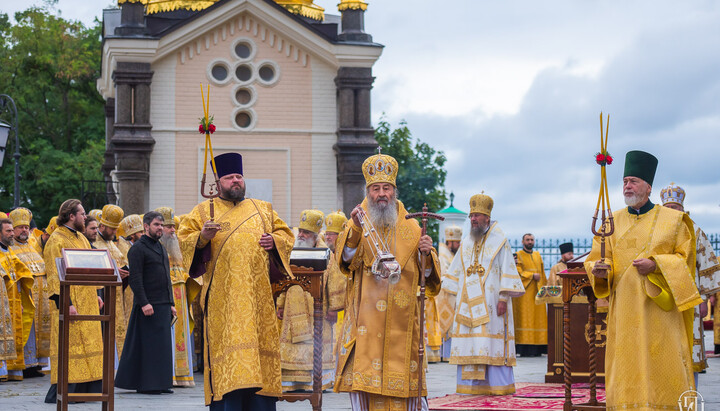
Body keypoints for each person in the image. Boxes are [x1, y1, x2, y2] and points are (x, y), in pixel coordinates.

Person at [585, 151, 702, 410]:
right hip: (625, 309)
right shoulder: (611, 221)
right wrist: (600, 270)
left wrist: (656, 264)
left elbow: (685, 260)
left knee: (663, 359)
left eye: (634, 181)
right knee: (627, 360)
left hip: (659, 309)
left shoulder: (674, 221)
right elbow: (596, 258)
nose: (627, 186)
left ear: (648, 187)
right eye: (625, 181)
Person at [178, 152, 294, 410]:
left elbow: (285, 234)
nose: (236, 181)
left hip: (258, 299)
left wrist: (274, 242)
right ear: (218, 183)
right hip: (223, 302)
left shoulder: (263, 208)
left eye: (239, 176)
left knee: (259, 358)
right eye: (230, 177)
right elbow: (184, 240)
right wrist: (203, 237)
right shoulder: (202, 211)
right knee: (228, 360)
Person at [333, 151, 440, 411]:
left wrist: (427, 252)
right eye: (376, 188)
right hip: (366, 319)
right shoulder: (357, 221)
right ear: (368, 191)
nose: (382, 194)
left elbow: (428, 278)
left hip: (403, 323)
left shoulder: (413, 227)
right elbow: (346, 262)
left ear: (395, 191)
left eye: (387, 188)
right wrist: (356, 230)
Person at [442, 194, 525, 395]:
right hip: (467, 306)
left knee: (489, 341)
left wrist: (504, 298)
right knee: (472, 342)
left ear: (487, 217)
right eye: (471, 216)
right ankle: (470, 388)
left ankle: (498, 386)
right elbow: (455, 273)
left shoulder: (500, 241)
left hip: (492, 302)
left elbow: (507, 269)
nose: (473, 219)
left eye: (477, 216)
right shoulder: (466, 243)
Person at [43, 199, 104, 403]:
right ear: (71, 216)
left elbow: (88, 267)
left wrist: (95, 293)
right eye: (82, 213)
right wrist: (66, 304)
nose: (85, 217)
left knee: (89, 345)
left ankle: (87, 391)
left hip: (87, 302)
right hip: (70, 304)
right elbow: (54, 276)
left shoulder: (82, 238)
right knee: (71, 346)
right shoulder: (56, 240)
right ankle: (65, 392)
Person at [277, 209, 344, 392]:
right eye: (300, 231)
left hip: (318, 310)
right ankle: (292, 383)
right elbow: (285, 278)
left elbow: (335, 281)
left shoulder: (327, 255)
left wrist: (334, 308)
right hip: (293, 309)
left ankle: (316, 383)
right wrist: (281, 304)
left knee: (317, 344)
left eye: (306, 232)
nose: (301, 235)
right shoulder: (292, 252)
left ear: (314, 235)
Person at [660, 182, 720, 384]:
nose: (671, 211)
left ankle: (690, 391)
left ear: (682, 209)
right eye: (667, 208)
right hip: (662, 296)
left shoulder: (694, 230)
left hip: (691, 296)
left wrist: (704, 299)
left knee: (689, 345)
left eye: (675, 208)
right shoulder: (656, 232)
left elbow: (706, 265)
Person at [115, 211, 176, 394]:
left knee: (162, 347)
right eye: (157, 224)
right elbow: (136, 279)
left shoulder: (160, 247)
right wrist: (144, 303)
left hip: (163, 303)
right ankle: (148, 384)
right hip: (148, 305)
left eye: (161, 225)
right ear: (146, 226)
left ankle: (162, 382)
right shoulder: (138, 249)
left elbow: (166, 277)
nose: (160, 228)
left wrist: (171, 302)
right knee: (150, 346)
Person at [156, 207, 201, 388]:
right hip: (164, 296)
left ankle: (181, 375)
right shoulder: (155, 246)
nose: (173, 230)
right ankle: (167, 375)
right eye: (168, 227)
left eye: (173, 227)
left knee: (181, 336)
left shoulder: (178, 246)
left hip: (181, 295)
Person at [8, 208, 51, 377]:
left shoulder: (32, 247)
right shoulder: (11, 249)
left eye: (26, 227)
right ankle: (24, 365)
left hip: (41, 300)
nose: (24, 230)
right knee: (27, 330)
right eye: (20, 227)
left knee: (38, 331)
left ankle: (35, 364)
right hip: (25, 298)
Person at [92, 204, 131, 359]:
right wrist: (115, 273)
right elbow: (94, 269)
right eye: (112, 229)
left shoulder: (111, 243)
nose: (115, 233)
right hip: (104, 293)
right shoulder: (94, 243)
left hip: (118, 292)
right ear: (102, 226)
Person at [0, 218, 34, 381]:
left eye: (12, 230)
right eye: (8, 231)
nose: (12, 234)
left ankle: (11, 370)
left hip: (13, 302)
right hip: (2, 304)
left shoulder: (10, 251)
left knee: (14, 335)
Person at [513, 233, 547, 357]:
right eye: (527, 240)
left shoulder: (537, 255)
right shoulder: (518, 255)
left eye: (532, 239)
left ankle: (538, 348)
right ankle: (523, 348)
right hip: (524, 293)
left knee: (538, 319)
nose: (530, 241)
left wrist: (544, 288)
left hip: (537, 291)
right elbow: (517, 271)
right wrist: (531, 276)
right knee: (525, 319)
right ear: (523, 242)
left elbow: (542, 273)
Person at [436, 225, 462, 362]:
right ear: (450, 242)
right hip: (444, 295)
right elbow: (442, 275)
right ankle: (445, 354)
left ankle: (449, 353)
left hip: (453, 294)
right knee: (446, 323)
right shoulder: (442, 255)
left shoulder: (452, 254)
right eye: (457, 242)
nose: (459, 245)